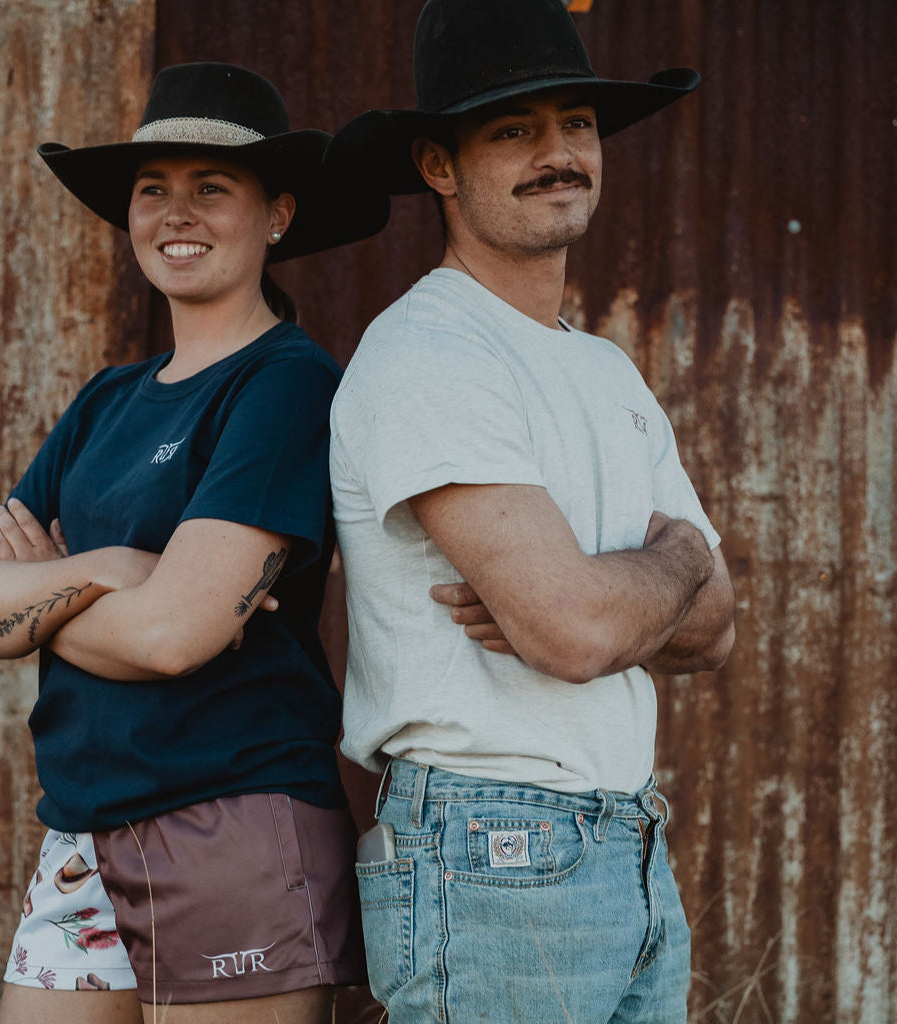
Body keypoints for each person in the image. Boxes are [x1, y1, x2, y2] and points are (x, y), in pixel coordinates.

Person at [0, 62, 387, 1023]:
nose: (175, 214)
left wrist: (42, 598)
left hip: (231, 817)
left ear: (276, 217)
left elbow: (174, 637)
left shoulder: (286, 386)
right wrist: (107, 571)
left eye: (212, 188)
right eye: (154, 190)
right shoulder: (108, 399)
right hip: (79, 831)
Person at [325, 1, 735, 1022]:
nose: (559, 153)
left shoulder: (603, 369)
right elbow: (573, 627)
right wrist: (663, 565)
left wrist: (636, 583)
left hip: (626, 837)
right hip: (488, 844)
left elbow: (715, 628)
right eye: (513, 129)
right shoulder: (428, 353)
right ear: (437, 164)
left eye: (577, 124)